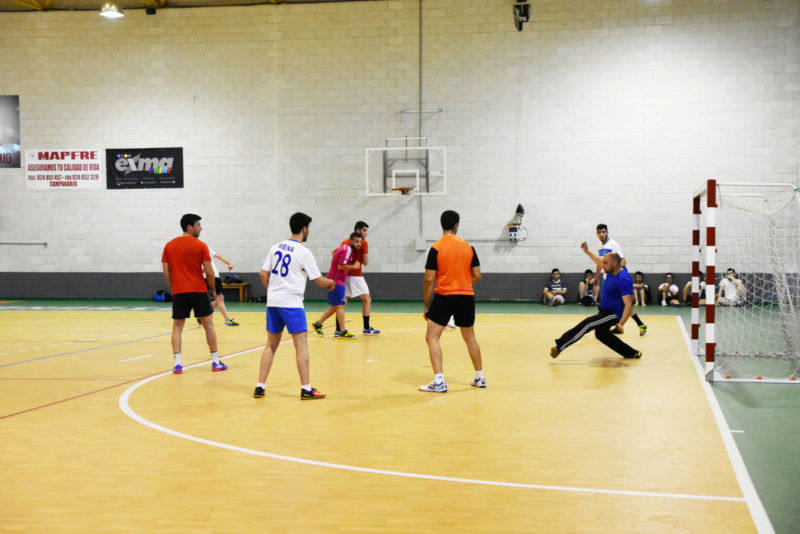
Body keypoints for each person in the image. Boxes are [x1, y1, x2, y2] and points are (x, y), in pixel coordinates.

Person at [254, 212, 335, 400]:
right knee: (301, 345)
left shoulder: (275, 247)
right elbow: (318, 280)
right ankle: (306, 388)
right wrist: (331, 283)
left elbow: (262, 274)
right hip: (291, 303)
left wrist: (273, 291)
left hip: (273, 302)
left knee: (270, 345)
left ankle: (260, 385)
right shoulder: (303, 252)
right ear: (304, 228)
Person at [420, 210, 485, 392]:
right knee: (470, 337)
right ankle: (480, 377)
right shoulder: (468, 247)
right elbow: (477, 275)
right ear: (457, 225)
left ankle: (439, 381)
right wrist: (462, 283)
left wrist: (426, 305)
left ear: (442, 225)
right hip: (466, 296)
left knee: (432, 337)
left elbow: (428, 279)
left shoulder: (436, 248)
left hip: (444, 296)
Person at [161, 213, 227, 374]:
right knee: (208, 324)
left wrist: (173, 288)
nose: (200, 228)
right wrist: (212, 289)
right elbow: (210, 272)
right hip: (198, 290)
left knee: (177, 326)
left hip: (179, 292)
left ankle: (177, 364)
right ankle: (216, 362)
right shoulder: (201, 245)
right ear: (189, 227)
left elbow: (166, 272)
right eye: (198, 225)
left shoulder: (169, 246)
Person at [550, 253, 642, 360]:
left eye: (606, 263)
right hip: (604, 310)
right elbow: (600, 261)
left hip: (613, 313)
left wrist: (621, 323)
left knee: (588, 323)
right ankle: (631, 353)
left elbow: (629, 304)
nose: (603, 265)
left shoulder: (623, 278)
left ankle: (560, 346)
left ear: (615, 263)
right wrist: (587, 251)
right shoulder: (612, 270)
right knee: (601, 334)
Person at [582, 223, 647, 336]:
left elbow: (623, 262)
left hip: (615, 278)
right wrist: (596, 277)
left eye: (604, 231)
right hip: (606, 278)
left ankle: (604, 327)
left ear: (607, 232)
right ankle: (639, 324)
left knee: (609, 303)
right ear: (597, 233)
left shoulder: (614, 244)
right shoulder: (599, 247)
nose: (602, 234)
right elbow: (600, 263)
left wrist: (617, 275)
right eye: (599, 232)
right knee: (610, 303)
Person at [312, 233, 362, 338]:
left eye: (360, 242)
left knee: (335, 306)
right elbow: (340, 266)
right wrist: (354, 266)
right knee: (340, 306)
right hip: (336, 281)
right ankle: (343, 331)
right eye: (357, 241)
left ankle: (318, 324)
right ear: (351, 241)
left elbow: (334, 253)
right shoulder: (347, 249)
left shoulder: (344, 248)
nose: (359, 244)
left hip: (334, 279)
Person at [334, 221, 380, 335]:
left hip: (343, 275)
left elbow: (337, 255)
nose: (366, 233)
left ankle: (338, 330)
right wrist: (366, 258)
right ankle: (366, 328)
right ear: (358, 231)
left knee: (342, 303)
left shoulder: (345, 242)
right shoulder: (363, 243)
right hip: (356, 276)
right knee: (367, 300)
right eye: (364, 230)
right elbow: (365, 262)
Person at [204, 246, 239, 326]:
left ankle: (203, 313)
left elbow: (218, 256)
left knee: (219, 299)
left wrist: (229, 263)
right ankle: (227, 320)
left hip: (214, 276)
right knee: (218, 298)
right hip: (205, 277)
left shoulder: (205, 248)